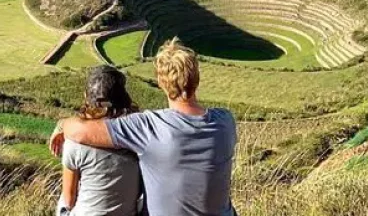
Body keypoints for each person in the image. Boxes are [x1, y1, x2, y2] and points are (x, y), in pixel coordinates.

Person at [50, 38, 237, 216]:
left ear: (162, 83)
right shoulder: (226, 121)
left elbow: (80, 132)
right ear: (196, 77)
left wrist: (61, 125)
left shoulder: (149, 127)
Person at [54, 65, 141, 216]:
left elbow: (69, 198)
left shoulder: (75, 143)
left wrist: (62, 125)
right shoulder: (139, 136)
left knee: (63, 204)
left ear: (86, 96)